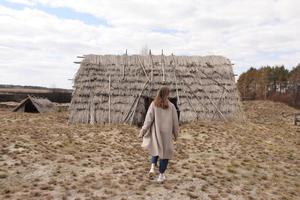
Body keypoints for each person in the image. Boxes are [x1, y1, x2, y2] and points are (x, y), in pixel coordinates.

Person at [139, 86, 179, 182]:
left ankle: (152, 167)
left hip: (156, 132)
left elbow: (148, 120)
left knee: (156, 148)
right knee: (165, 154)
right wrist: (176, 134)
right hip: (166, 134)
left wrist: (142, 131)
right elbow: (175, 122)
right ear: (167, 94)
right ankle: (161, 175)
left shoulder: (153, 105)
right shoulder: (171, 106)